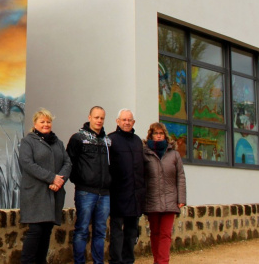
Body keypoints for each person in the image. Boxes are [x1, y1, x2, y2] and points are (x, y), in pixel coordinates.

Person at [18, 108, 72, 264]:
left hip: (53, 194)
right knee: (36, 231)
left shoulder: (58, 143)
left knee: (47, 231)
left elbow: (68, 163)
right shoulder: (28, 142)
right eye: (42, 121)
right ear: (35, 124)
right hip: (35, 194)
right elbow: (27, 164)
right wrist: (52, 178)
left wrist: (60, 180)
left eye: (48, 121)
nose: (46, 124)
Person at [66, 106, 111, 264]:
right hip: (86, 192)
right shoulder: (78, 138)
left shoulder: (108, 141)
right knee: (82, 231)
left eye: (102, 118)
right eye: (96, 117)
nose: (99, 120)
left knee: (100, 232)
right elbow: (69, 162)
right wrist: (79, 180)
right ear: (89, 117)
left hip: (105, 193)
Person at [143, 122, 187, 264]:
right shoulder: (145, 153)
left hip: (170, 199)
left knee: (165, 234)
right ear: (151, 135)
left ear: (165, 136)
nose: (158, 136)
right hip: (152, 199)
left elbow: (180, 177)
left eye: (161, 133)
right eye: (156, 133)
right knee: (155, 234)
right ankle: (157, 260)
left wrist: (181, 198)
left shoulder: (174, 154)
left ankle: (163, 262)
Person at [108, 109, 146, 264]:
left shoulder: (138, 141)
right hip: (118, 195)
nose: (127, 122)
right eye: (124, 120)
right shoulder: (110, 139)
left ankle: (128, 260)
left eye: (129, 120)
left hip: (135, 195)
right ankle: (116, 261)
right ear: (118, 121)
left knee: (131, 233)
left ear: (134, 122)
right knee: (117, 233)